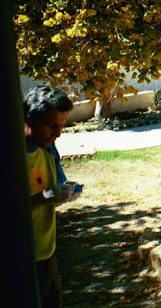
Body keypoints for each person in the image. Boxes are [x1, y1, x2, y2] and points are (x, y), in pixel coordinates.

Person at [24, 86, 82, 308]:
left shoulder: (49, 150)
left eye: (62, 126)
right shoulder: (10, 153)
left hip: (46, 255)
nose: (58, 134)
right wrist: (42, 198)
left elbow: (56, 188)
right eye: (52, 125)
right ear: (30, 119)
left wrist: (67, 191)